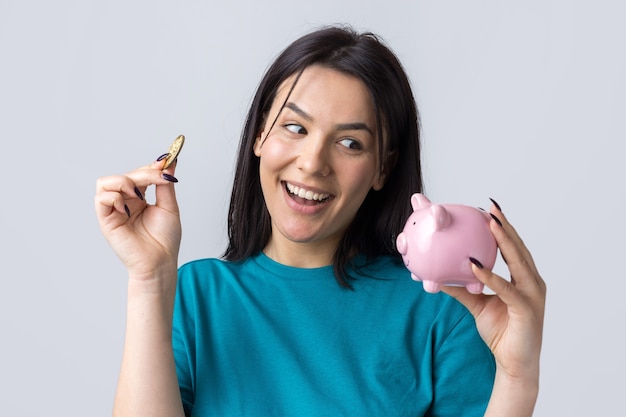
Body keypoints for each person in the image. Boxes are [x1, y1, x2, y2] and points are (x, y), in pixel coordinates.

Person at [95, 26, 546, 417]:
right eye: (295, 128)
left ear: (382, 169)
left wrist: (517, 376)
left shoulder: (441, 310)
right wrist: (150, 279)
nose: (312, 163)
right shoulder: (194, 297)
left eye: (350, 142)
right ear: (259, 134)